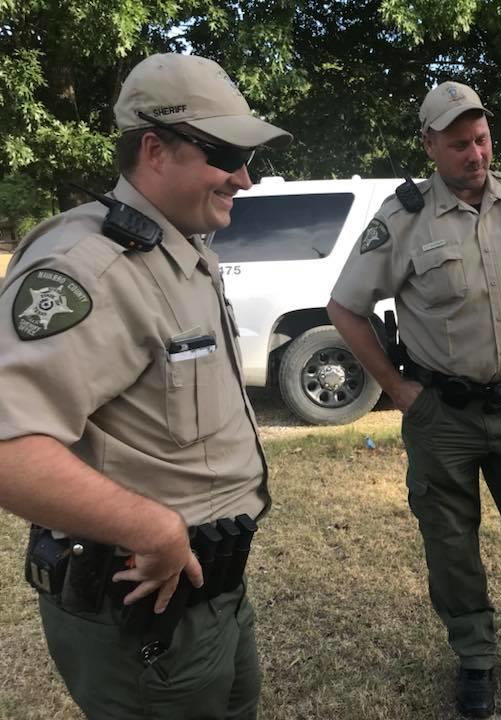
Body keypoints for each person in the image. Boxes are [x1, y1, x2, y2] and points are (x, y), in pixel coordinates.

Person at [0, 53, 291, 719]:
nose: (245, 177)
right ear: (155, 151)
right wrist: (152, 527)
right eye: (226, 153)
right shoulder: (92, 269)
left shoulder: (179, 251)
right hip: (144, 616)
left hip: (210, 594)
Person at [328, 81, 501, 718]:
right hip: (440, 414)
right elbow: (346, 307)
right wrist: (396, 389)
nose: (475, 154)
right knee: (451, 544)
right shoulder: (403, 218)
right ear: (429, 145)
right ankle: (474, 658)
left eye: (480, 139)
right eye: (458, 144)